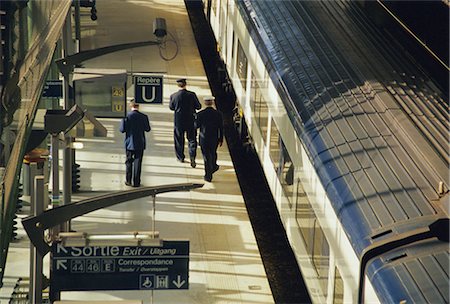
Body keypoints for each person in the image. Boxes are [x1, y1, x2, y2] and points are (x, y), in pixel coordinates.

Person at [169, 78, 202, 167]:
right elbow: (198, 106)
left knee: (179, 139)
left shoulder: (173, 96)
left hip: (179, 121)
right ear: (185, 84)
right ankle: (192, 157)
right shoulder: (192, 95)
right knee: (192, 139)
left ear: (178, 85)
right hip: (190, 120)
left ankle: (181, 157)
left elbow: (171, 107)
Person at [119, 101, 151, 187]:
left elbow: (122, 130)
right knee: (138, 162)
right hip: (140, 142)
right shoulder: (144, 117)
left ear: (130, 106)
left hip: (129, 143)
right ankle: (136, 182)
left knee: (129, 161)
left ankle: (128, 180)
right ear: (138, 106)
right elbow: (147, 129)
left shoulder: (126, 117)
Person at [195, 96, 223, 182]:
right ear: (212, 102)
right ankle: (214, 166)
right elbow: (221, 128)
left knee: (206, 157)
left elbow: (196, 126)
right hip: (214, 138)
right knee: (213, 153)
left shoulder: (200, 114)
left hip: (204, 139)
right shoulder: (218, 114)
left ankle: (208, 176)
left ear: (205, 103)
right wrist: (221, 138)